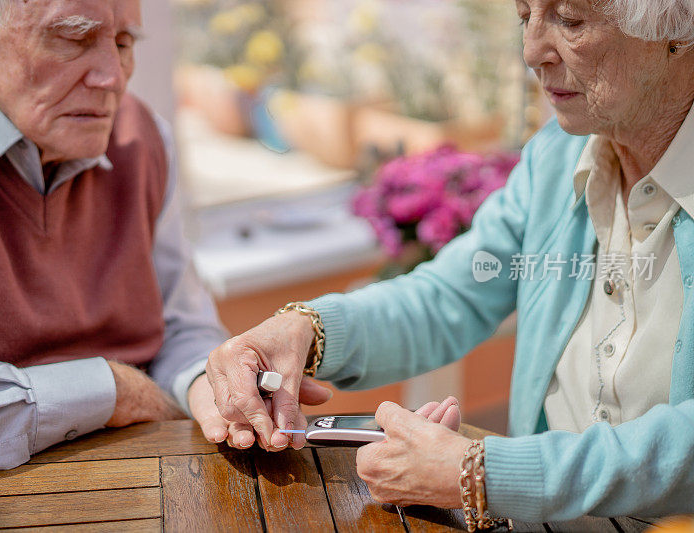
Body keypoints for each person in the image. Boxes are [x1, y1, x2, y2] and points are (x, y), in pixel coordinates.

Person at [205, 0, 694, 524]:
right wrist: (306, 328)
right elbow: (451, 294)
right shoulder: (555, 157)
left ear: (677, 31)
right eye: (523, 15)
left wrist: (483, 474)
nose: (531, 51)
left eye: (570, 20)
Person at [0, 0, 237, 481]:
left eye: (123, 43)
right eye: (73, 39)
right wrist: (111, 390)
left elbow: (182, 326)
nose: (112, 78)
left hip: (149, 485)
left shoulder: (142, 135)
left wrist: (213, 385)